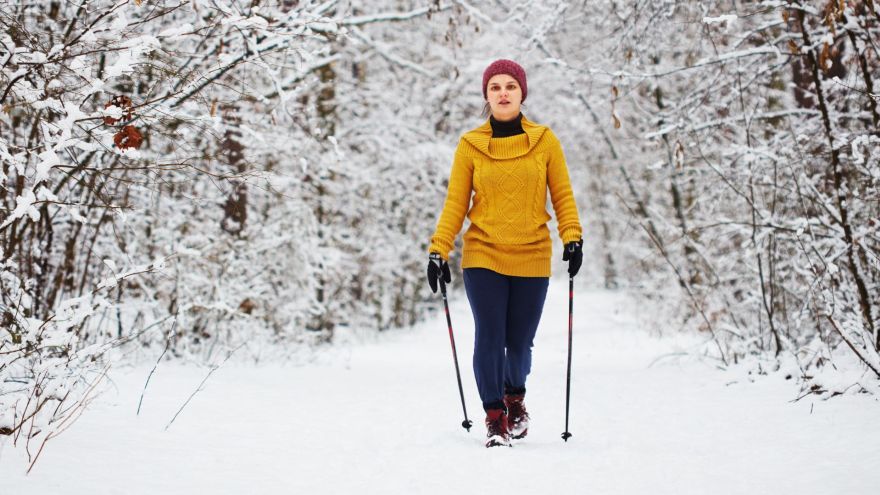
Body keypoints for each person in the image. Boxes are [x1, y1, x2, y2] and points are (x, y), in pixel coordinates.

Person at [426, 59, 583, 448]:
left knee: (520, 343)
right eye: (495, 87)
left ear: (521, 93)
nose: (502, 93)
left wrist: (572, 237)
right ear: (486, 95)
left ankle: (515, 398)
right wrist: (438, 249)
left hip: (532, 253)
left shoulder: (544, 141)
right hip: (483, 253)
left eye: (510, 86)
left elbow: (562, 194)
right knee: (490, 336)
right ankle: (495, 416)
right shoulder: (471, 145)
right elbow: (455, 204)